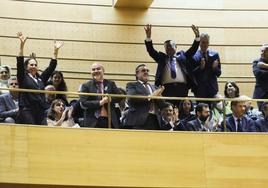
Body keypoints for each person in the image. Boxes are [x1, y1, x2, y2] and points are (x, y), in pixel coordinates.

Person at [144, 24, 200, 106]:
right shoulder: (162, 58)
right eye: (167, 47)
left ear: (176, 47)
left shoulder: (182, 56)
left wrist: (197, 37)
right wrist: (148, 37)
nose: (169, 48)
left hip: (182, 88)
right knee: (168, 108)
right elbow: (151, 51)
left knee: (181, 109)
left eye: (171, 45)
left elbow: (193, 49)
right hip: (166, 88)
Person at [16, 32, 64, 125]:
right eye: (31, 65)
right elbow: (19, 63)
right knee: (32, 132)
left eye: (35, 65)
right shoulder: (23, 77)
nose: (34, 66)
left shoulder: (40, 78)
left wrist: (55, 51)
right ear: (26, 67)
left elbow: (51, 67)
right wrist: (22, 45)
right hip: (27, 110)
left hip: (40, 110)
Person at [79, 63, 122, 128]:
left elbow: (120, 97)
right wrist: (100, 102)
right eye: (93, 69)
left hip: (109, 120)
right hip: (92, 121)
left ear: (103, 71)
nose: (96, 71)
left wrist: (111, 99)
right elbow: (83, 102)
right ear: (91, 72)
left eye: (98, 69)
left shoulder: (111, 83)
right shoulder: (86, 86)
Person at [124, 64, 165, 130]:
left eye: (147, 70)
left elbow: (162, 105)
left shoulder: (155, 87)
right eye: (143, 70)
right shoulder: (131, 85)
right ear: (137, 74)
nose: (146, 72)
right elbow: (131, 97)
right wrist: (151, 96)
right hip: (139, 121)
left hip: (155, 120)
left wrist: (160, 97)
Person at [191, 33, 221, 102]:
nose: (205, 45)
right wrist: (200, 68)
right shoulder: (194, 56)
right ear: (199, 43)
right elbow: (191, 74)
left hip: (212, 90)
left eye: (207, 42)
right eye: (203, 42)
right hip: (199, 90)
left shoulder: (215, 55)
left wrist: (215, 68)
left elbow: (219, 73)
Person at [253, 44, 268, 110]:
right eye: (262, 51)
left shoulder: (262, 64)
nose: (263, 53)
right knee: (263, 113)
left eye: (265, 51)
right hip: (261, 93)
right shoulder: (256, 61)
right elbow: (258, 73)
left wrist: (265, 66)